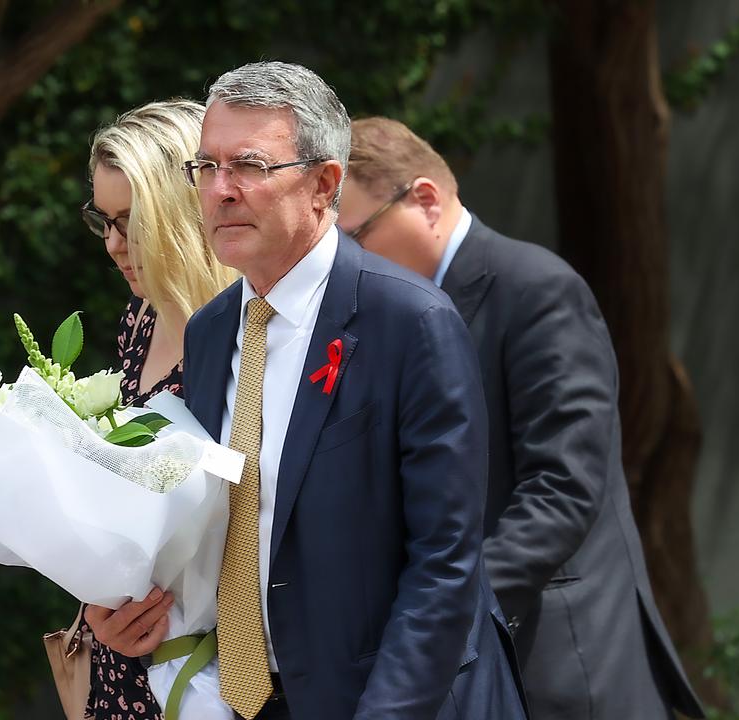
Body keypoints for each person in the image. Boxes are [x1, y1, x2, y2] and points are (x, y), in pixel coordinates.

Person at [88, 62, 527, 720]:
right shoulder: (210, 334)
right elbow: (213, 530)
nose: (221, 191)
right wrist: (126, 605)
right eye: (206, 168)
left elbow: (445, 564)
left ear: (324, 184)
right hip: (248, 698)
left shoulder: (410, 323)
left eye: (250, 166)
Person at [337, 116, 706, 720]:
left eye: (356, 236)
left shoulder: (535, 288)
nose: (346, 262)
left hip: (558, 657)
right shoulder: (383, 319)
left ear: (425, 200)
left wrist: (448, 610)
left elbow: (564, 487)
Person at [81, 99, 235, 719]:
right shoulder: (139, 321)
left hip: (218, 666)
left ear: (183, 209)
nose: (115, 244)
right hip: (131, 657)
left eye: (131, 220)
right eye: (104, 221)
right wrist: (100, 605)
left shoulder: (245, 330)